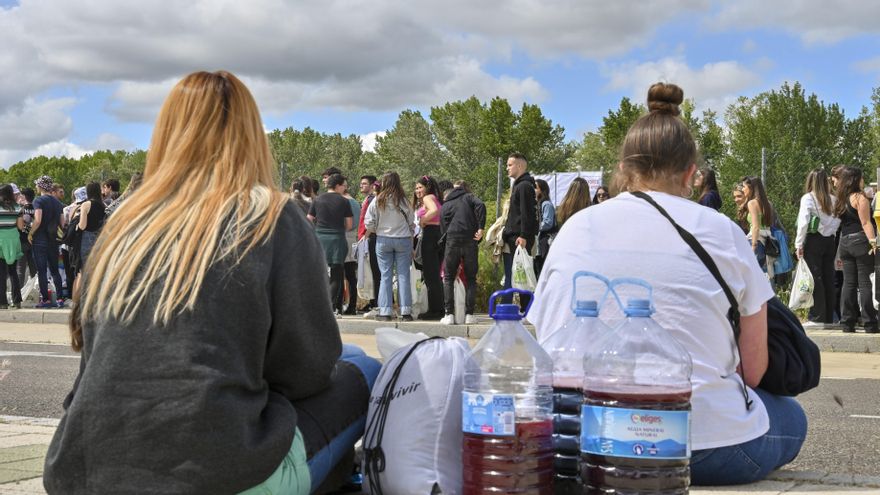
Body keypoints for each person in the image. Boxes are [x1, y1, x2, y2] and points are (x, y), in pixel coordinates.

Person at [43, 71, 380, 495]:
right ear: (251, 136)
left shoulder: (125, 227)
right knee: (362, 367)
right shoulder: (269, 217)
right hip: (215, 474)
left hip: (83, 471)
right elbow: (306, 370)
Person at [529, 82, 805, 486]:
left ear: (622, 170)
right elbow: (755, 371)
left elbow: (546, 334)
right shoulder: (722, 231)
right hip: (703, 446)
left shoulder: (575, 228)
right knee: (790, 417)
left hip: (582, 440)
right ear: (692, 174)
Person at [364, 171, 414, 322]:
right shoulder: (404, 200)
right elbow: (411, 221)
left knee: (385, 275)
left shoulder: (378, 200)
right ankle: (406, 311)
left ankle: (385, 311)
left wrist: (378, 229)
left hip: (383, 240)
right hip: (403, 239)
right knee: (403, 275)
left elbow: (368, 222)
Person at [834, 166, 878, 333]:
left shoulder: (841, 198)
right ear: (856, 180)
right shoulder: (860, 198)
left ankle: (847, 322)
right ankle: (870, 323)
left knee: (849, 283)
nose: (863, 180)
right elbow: (866, 223)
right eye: (861, 177)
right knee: (865, 282)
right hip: (860, 241)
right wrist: (873, 242)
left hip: (844, 242)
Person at [794, 169, 840, 325]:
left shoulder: (808, 198)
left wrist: (798, 243)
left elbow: (803, 222)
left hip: (814, 240)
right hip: (830, 241)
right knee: (828, 277)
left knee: (815, 277)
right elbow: (837, 221)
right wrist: (828, 231)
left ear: (810, 181)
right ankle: (829, 317)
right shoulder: (833, 199)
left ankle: (817, 317)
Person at [439, 180, 486, 325]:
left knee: (448, 278)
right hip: (470, 240)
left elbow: (443, 228)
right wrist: (480, 227)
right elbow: (481, 205)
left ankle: (449, 315)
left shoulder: (446, 204)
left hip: (452, 241)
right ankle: (469, 315)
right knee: (471, 278)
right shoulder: (469, 197)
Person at [308, 173, 354, 316]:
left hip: (320, 238)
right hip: (337, 239)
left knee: (319, 272)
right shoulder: (344, 201)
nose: (344, 188)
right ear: (338, 186)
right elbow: (349, 224)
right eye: (344, 185)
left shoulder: (317, 200)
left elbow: (309, 218)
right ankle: (332, 307)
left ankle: (317, 305)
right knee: (336, 274)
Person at [501, 152, 538, 308]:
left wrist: (523, 235)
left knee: (516, 274)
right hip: (515, 236)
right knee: (517, 274)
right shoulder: (521, 185)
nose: (507, 168)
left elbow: (526, 213)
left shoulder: (523, 186)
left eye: (510, 165)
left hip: (518, 238)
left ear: (520, 166)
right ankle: (521, 307)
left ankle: (512, 308)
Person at [28, 175, 65, 308]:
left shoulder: (39, 200)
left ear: (41, 186)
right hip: (53, 240)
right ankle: (60, 299)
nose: (36, 187)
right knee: (55, 270)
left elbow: (37, 220)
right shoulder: (58, 203)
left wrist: (31, 233)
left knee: (42, 271)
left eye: (37, 185)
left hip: (39, 240)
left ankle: (46, 300)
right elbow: (62, 223)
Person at [413, 175, 444, 320]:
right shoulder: (436, 198)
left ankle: (435, 310)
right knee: (435, 275)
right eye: (416, 188)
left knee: (430, 275)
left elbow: (434, 211)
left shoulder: (427, 198)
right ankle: (439, 308)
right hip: (438, 235)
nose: (417, 190)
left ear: (427, 187)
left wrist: (423, 220)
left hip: (430, 235)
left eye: (420, 187)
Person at [742, 176, 777, 275]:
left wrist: (753, 246)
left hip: (755, 242)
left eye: (744, 186)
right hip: (765, 242)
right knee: (759, 274)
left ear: (750, 187)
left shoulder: (752, 203)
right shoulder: (768, 204)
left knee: (749, 275)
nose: (743, 189)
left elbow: (756, 227)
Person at [357, 175, 381, 314]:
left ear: (373, 185)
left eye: (365, 184)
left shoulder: (373, 200)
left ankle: (378, 302)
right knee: (370, 272)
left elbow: (370, 222)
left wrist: (364, 237)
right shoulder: (367, 200)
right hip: (366, 238)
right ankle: (374, 301)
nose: (361, 186)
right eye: (361, 183)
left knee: (375, 272)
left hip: (371, 237)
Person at [0, 184, 23, 309]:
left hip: (0, 240)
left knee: (1, 273)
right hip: (13, 240)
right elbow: (20, 227)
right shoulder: (18, 207)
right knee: (13, 271)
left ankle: (2, 302)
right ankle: (17, 301)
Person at [75, 182, 106, 272]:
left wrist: (77, 227)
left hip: (87, 238)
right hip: (100, 238)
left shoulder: (86, 204)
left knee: (87, 268)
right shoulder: (104, 205)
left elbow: (83, 225)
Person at [340, 179, 360, 314]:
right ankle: (352, 304)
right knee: (351, 274)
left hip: (345, 237)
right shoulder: (355, 202)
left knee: (343, 273)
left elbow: (349, 223)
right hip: (353, 238)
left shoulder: (345, 202)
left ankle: (344, 305)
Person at [534, 178, 556, 278]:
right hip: (539, 240)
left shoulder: (546, 204)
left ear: (542, 190)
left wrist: (534, 227)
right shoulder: (537, 204)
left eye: (535, 188)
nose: (533, 190)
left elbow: (548, 223)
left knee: (542, 268)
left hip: (545, 241)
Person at [16, 187, 36, 283]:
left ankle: (20, 293)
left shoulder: (21, 210)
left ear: (24, 196)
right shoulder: (37, 208)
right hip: (34, 240)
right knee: (34, 267)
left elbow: (21, 226)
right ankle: (37, 289)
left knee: (21, 268)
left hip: (22, 240)